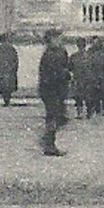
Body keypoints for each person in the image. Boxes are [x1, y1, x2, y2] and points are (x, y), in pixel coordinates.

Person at [37, 28, 70, 157]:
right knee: (54, 116)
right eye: (58, 38)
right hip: (51, 89)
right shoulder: (52, 54)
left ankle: (48, 141)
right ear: (52, 40)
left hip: (53, 89)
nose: (61, 40)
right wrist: (67, 74)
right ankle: (49, 144)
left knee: (56, 117)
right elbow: (55, 73)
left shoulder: (56, 52)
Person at [85, 38, 104, 118]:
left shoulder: (103, 53)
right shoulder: (90, 53)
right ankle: (97, 109)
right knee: (94, 93)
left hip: (102, 75)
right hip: (94, 76)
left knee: (103, 94)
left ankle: (103, 109)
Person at [0, 32, 19, 106]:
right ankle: (7, 100)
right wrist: (15, 69)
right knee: (9, 86)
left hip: (2, 71)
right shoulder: (12, 48)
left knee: (3, 86)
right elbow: (15, 60)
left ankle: (6, 100)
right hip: (10, 70)